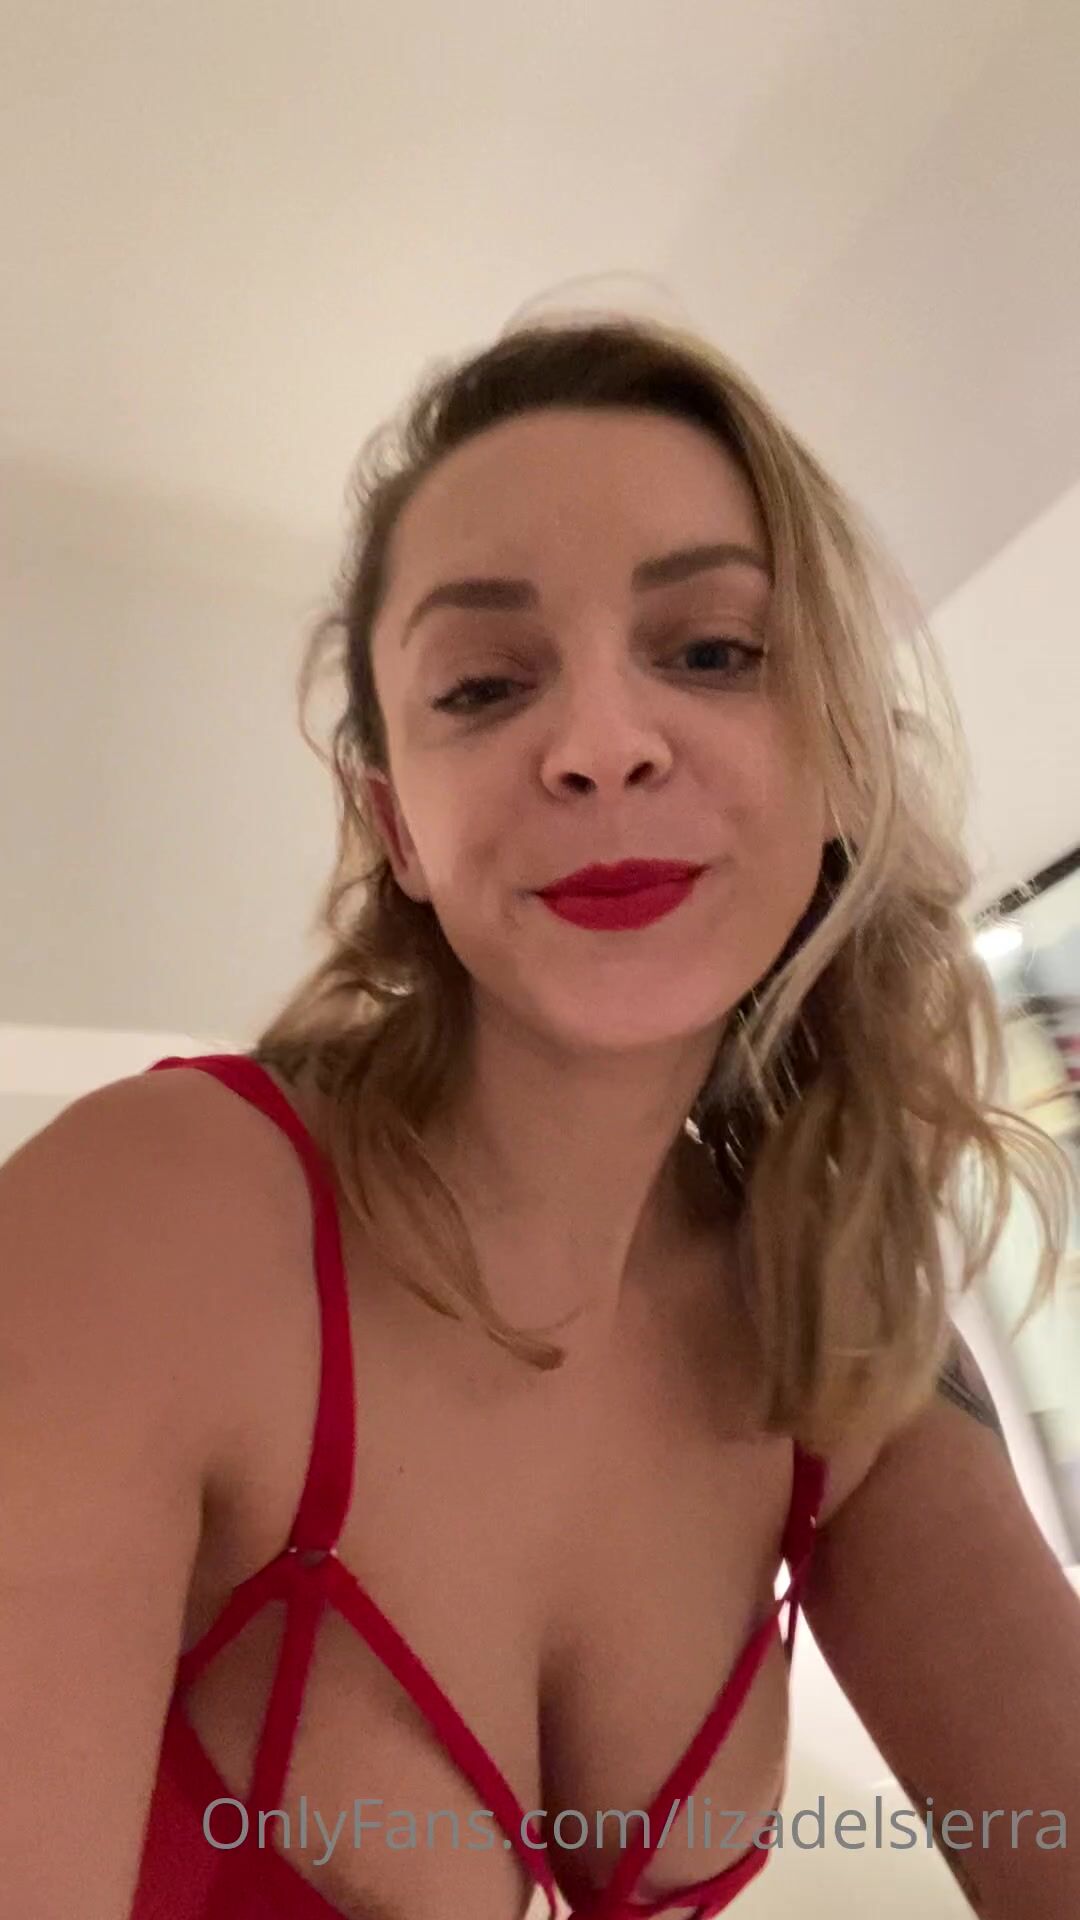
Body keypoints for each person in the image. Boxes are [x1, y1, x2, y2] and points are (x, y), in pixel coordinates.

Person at [3, 310, 1078, 1920]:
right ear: (398, 828)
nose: (599, 745)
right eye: (486, 684)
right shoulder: (152, 1217)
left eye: (713, 652)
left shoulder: (833, 1319)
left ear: (841, 760)